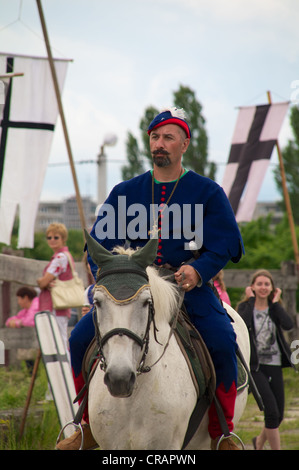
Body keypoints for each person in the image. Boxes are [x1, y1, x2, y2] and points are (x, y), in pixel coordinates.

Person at [58, 107, 244, 450]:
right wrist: (112, 277)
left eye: (168, 138)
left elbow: (226, 245)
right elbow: (98, 247)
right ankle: (86, 427)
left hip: (185, 288)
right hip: (130, 289)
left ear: (184, 143)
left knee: (221, 340)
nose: (160, 144)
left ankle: (222, 433)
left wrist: (198, 269)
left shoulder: (207, 192)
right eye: (155, 137)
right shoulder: (126, 191)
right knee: (79, 339)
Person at [237, 269, 294, 450]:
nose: (263, 287)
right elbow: (243, 324)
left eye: (267, 284)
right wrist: (251, 300)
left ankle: (259, 442)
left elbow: (288, 325)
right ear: (252, 287)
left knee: (279, 417)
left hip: (275, 364)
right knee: (271, 412)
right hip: (256, 367)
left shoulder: (275, 309)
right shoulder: (245, 308)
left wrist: (276, 303)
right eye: (259, 284)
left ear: (272, 288)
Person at [37, 223, 76, 361]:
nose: (52, 239)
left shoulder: (60, 258)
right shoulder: (61, 257)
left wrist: (42, 282)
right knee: (57, 342)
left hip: (56, 306)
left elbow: (43, 282)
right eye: (49, 237)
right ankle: (63, 378)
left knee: (58, 344)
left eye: (56, 237)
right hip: (57, 306)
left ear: (63, 238)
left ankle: (64, 378)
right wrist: (44, 282)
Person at [5, 286, 40, 374]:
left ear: (26, 298)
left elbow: (30, 321)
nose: (18, 302)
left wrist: (17, 323)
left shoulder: (36, 306)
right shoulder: (26, 310)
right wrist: (13, 322)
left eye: (19, 299)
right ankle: (31, 374)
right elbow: (10, 320)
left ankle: (33, 374)